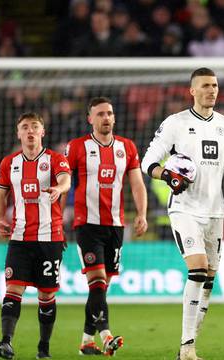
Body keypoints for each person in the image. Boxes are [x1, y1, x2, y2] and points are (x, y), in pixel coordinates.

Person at [141, 67, 224, 360]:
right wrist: (167, 176)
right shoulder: (176, 123)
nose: (212, 90)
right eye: (206, 85)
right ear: (193, 90)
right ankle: (187, 347)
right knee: (196, 269)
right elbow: (149, 161)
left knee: (209, 279)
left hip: (215, 212)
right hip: (184, 209)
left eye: (216, 85)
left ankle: (189, 342)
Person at [65, 97, 148, 356]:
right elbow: (63, 181)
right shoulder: (77, 147)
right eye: (100, 114)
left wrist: (142, 214)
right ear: (90, 118)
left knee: (101, 288)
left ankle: (86, 342)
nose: (106, 118)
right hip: (87, 224)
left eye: (109, 113)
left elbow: (136, 184)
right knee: (98, 282)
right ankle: (106, 335)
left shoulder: (127, 147)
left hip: (115, 225)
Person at [0, 112, 71, 359]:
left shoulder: (56, 159)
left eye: (35, 126)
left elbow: (66, 180)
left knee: (46, 295)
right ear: (19, 133)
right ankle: (6, 343)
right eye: (25, 127)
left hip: (50, 238)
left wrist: (59, 188)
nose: (30, 131)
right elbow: (0, 195)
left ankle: (43, 348)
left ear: (42, 132)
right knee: (13, 289)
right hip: (19, 237)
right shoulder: (9, 163)